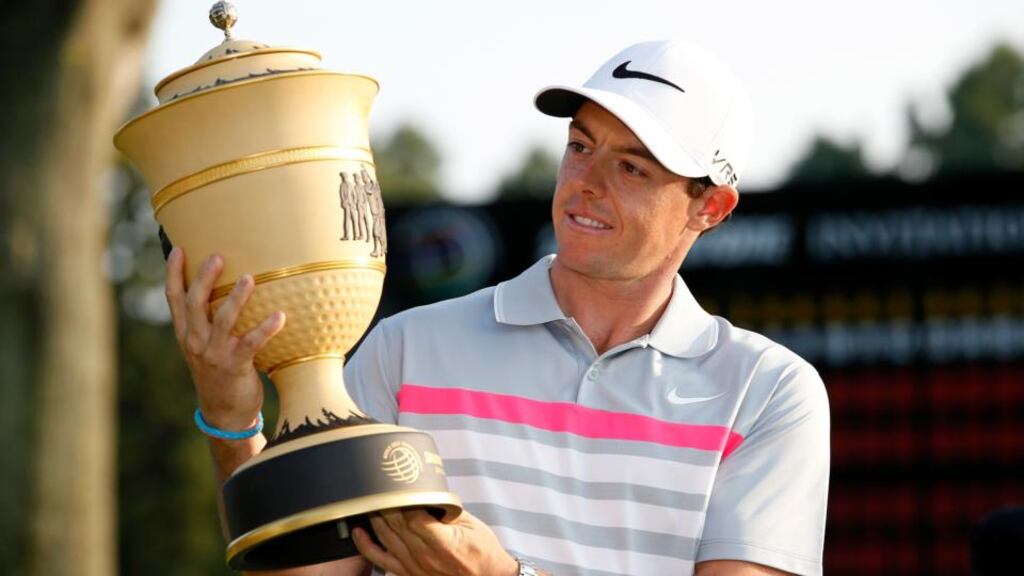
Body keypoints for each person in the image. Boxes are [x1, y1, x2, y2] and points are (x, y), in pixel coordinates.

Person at [165, 40, 830, 576]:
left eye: (632, 168)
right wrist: (232, 420)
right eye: (580, 146)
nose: (584, 185)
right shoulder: (405, 351)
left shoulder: (768, 394)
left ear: (709, 208)